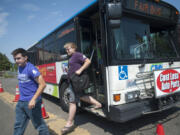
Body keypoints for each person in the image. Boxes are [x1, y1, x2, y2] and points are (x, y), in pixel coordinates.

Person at [61, 42, 102, 134]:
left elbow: (88, 61)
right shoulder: (71, 57)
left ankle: (69, 123)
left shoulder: (77, 55)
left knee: (72, 102)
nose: (67, 50)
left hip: (76, 80)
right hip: (72, 81)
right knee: (80, 96)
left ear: (74, 48)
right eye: (66, 49)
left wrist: (80, 70)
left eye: (68, 49)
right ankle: (98, 104)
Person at [11, 48, 49, 135]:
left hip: (31, 102)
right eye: (15, 59)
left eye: (18, 58)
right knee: (18, 125)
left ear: (25, 58)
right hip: (21, 101)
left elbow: (43, 84)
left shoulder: (31, 69)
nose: (16, 61)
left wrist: (33, 99)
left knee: (40, 125)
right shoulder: (19, 67)